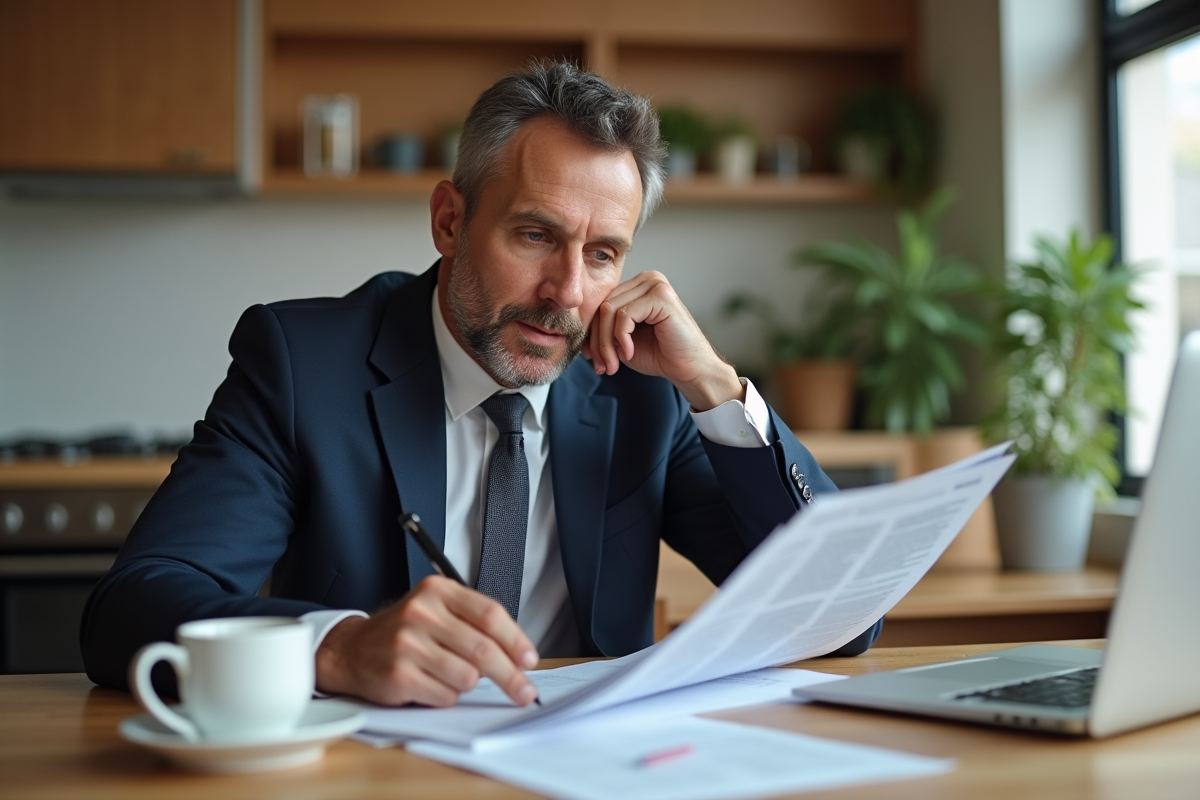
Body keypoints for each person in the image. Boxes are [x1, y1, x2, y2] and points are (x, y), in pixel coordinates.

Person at [81, 61, 880, 709]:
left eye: (603, 254)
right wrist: (339, 645)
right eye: (536, 235)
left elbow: (843, 620)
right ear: (449, 222)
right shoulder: (302, 363)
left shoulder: (647, 388)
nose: (566, 292)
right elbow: (133, 608)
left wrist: (714, 387)